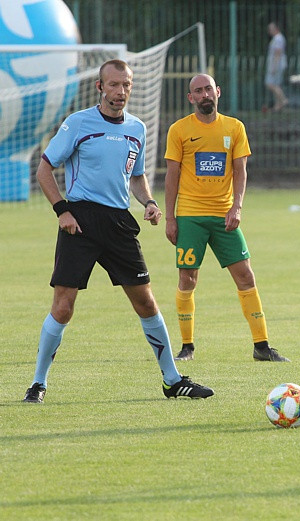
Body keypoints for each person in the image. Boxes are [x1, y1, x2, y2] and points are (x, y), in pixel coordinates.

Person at [23, 60, 214, 403]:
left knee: (146, 302)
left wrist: (150, 203)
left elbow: (136, 176)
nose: (120, 91)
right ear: (100, 88)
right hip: (80, 221)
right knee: (63, 306)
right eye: (113, 85)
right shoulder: (78, 123)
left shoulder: (137, 128)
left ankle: (172, 381)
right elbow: (44, 169)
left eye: (126, 85)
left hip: (119, 222)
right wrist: (62, 210)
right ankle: (38, 383)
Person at [164, 73, 289, 363]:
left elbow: (240, 170)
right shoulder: (179, 130)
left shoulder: (234, 127)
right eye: (198, 91)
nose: (205, 94)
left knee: (245, 275)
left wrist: (237, 207)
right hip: (191, 216)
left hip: (224, 216)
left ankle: (262, 346)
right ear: (190, 98)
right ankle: (187, 347)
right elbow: (172, 175)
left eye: (208, 89)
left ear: (218, 92)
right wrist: (171, 219)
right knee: (188, 277)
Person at [263, 21, 288, 112]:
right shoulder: (277, 39)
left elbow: (278, 53)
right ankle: (278, 106)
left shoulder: (278, 39)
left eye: (271, 28)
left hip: (276, 65)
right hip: (276, 65)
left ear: (276, 29)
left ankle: (283, 100)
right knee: (276, 84)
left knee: (270, 84)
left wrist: (274, 66)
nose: (269, 31)